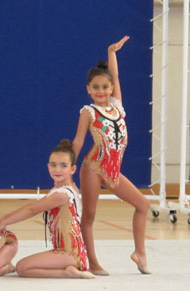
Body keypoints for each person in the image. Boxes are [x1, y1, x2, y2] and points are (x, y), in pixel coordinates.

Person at [72, 36, 151, 275]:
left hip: (113, 171)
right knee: (90, 215)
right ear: (88, 89)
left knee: (143, 205)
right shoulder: (88, 112)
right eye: (95, 87)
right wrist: (70, 171)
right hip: (94, 167)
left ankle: (140, 253)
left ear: (111, 89)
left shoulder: (117, 106)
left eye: (105, 87)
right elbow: (78, 141)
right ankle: (92, 262)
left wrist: (111, 52)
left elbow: (115, 76)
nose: (101, 91)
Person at [0, 140, 94, 279]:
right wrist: (4, 220)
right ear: (48, 167)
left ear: (73, 169)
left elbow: (32, 209)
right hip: (68, 252)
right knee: (23, 267)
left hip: (70, 253)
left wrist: (4, 221)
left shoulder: (62, 195)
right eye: (53, 165)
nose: (57, 170)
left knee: (22, 267)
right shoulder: (59, 190)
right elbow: (33, 206)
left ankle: (67, 273)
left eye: (63, 166)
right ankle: (69, 269)